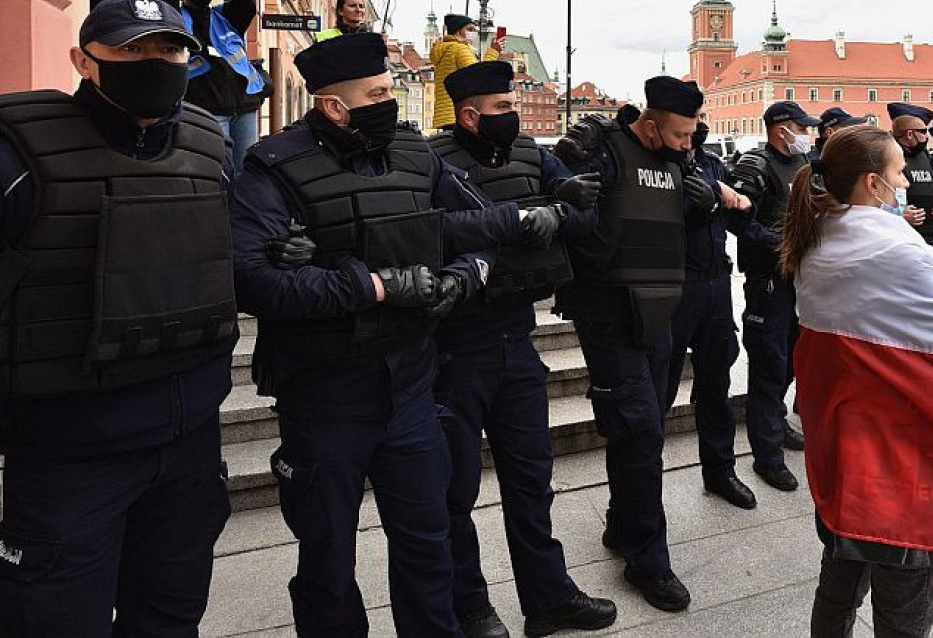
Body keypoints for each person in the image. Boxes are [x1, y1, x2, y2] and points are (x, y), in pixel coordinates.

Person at [230, 32, 538, 636]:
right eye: (376, 94)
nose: (390, 102)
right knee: (327, 559)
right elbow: (252, 283)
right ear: (334, 107)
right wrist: (371, 286)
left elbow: (475, 232)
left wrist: (461, 277)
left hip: (413, 392)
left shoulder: (416, 156)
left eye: (389, 90)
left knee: (427, 545)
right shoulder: (272, 167)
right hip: (324, 396)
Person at [0, 0, 235, 635]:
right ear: (83, 60)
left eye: (169, 48)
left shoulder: (211, 144)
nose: (153, 61)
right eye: (131, 49)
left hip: (188, 444)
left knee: (169, 618)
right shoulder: (18, 150)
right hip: (69, 456)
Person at [779, 123, 933, 637]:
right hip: (899, 462)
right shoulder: (893, 251)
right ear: (873, 184)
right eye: (896, 175)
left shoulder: (818, 236)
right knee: (904, 604)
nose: (905, 185)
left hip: (844, 448)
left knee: (839, 581)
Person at [427, 61, 615, 638]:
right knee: (454, 489)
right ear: (469, 113)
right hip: (456, 346)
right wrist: (515, 220)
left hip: (517, 336)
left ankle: (548, 595)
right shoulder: (434, 162)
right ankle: (471, 605)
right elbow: (432, 229)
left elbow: (587, 210)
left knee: (531, 479)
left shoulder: (533, 155)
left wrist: (556, 210)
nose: (515, 116)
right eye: (504, 108)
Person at [552, 76, 707, 614]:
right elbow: (574, 218)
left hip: (660, 307)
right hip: (610, 311)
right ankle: (648, 560)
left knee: (645, 426)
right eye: (682, 134)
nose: (690, 143)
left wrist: (704, 198)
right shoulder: (609, 151)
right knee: (639, 427)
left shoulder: (676, 159)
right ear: (649, 123)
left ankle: (622, 526)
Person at [665, 114, 756, 510]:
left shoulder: (712, 163)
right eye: (692, 120)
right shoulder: (656, 163)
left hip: (716, 283)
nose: (700, 125)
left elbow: (735, 220)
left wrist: (741, 204)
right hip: (672, 288)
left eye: (703, 117)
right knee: (657, 392)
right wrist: (695, 199)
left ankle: (720, 470)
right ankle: (635, 496)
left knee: (715, 385)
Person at [728, 101, 818, 494]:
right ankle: (767, 456)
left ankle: (776, 424)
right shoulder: (756, 164)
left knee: (791, 362)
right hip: (769, 281)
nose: (808, 134)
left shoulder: (801, 165)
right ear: (781, 128)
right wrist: (782, 246)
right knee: (768, 364)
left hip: (800, 278)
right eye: (802, 127)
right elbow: (738, 221)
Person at [180, 0, 265, 176]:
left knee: (246, 172)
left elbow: (247, 3)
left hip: (244, 106)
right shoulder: (176, 17)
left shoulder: (224, 16)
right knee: (218, 171)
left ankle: (243, 212)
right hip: (208, 109)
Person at [888, 103, 933, 246]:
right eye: (923, 131)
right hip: (903, 237)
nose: (927, 136)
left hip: (932, 234)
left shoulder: (924, 155)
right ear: (909, 134)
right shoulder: (888, 156)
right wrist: (898, 215)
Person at [430, 14, 503, 128]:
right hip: (459, 113)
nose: (473, 33)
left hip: (444, 114)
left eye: (474, 30)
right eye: (469, 29)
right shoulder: (460, 49)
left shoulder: (443, 50)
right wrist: (494, 51)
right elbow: (478, 75)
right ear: (458, 32)